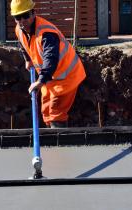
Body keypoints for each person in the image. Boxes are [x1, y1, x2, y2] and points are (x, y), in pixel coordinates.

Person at [11, 0, 86, 128]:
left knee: (55, 112)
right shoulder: (19, 29)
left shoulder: (46, 33)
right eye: (18, 17)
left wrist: (41, 81)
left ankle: (59, 142)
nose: (22, 20)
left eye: (26, 15)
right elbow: (22, 44)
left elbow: (50, 57)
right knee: (45, 111)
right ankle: (52, 139)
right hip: (49, 78)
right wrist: (27, 59)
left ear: (34, 13)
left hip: (66, 77)